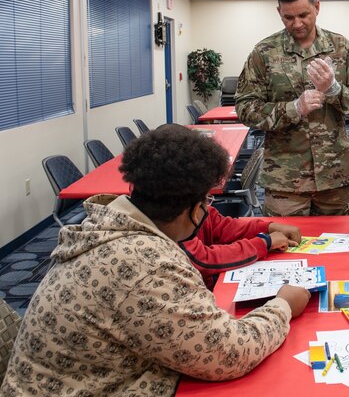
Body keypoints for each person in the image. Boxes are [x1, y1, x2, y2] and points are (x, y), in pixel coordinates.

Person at [1, 125, 311, 396]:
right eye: (206, 200)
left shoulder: (112, 221)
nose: (207, 208)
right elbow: (230, 353)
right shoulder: (146, 266)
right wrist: (282, 305)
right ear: (191, 206)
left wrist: (263, 229)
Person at [235, 0, 349, 216]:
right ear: (279, 12)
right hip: (285, 181)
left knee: (338, 247)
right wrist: (294, 108)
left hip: (334, 176)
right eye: (289, 17)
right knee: (285, 248)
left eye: (304, 15)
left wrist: (334, 90)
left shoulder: (341, 47)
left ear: (317, 7)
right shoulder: (264, 52)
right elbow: (245, 108)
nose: (297, 23)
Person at [180, 207, 302, 289]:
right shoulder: (176, 227)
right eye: (205, 199)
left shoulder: (198, 208)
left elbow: (226, 227)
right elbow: (203, 259)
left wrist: (268, 227)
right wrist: (264, 243)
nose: (207, 205)